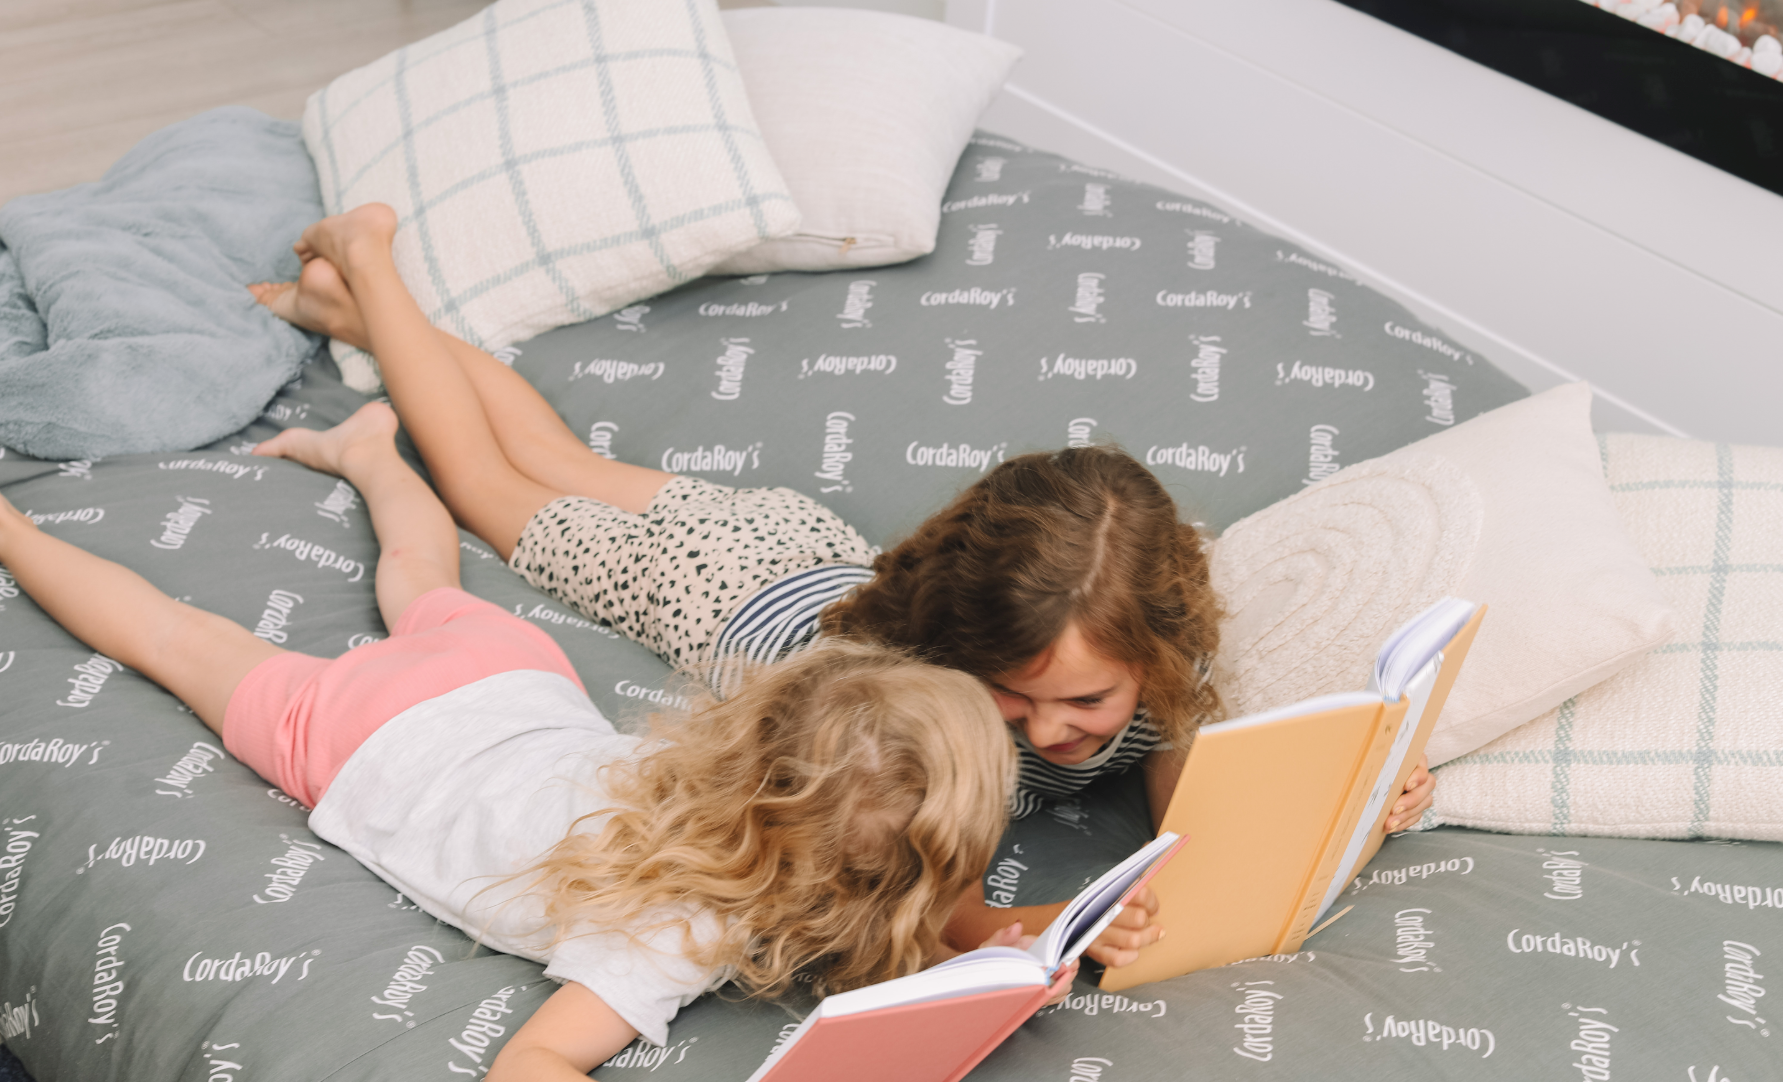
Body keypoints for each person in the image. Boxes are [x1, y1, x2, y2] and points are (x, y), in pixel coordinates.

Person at [249, 203, 1435, 961]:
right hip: (709, 586)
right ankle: (369, 259)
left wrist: (1342, 807)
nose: (1047, 733)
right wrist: (1051, 930)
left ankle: (350, 308)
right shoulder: (912, 720)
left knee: (563, 460)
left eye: (1087, 705)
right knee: (481, 481)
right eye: (1012, 699)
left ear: (1151, 661)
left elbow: (1197, 802)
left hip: (793, 542)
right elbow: (956, 915)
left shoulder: (1152, 673)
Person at [0, 406, 1070, 1081]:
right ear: (847, 891)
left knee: (419, 577)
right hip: (370, 739)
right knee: (177, 641)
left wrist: (1002, 946)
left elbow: (914, 895)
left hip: (510, 682)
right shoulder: (678, 931)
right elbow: (535, 1058)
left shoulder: (722, 777)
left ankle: (366, 451)